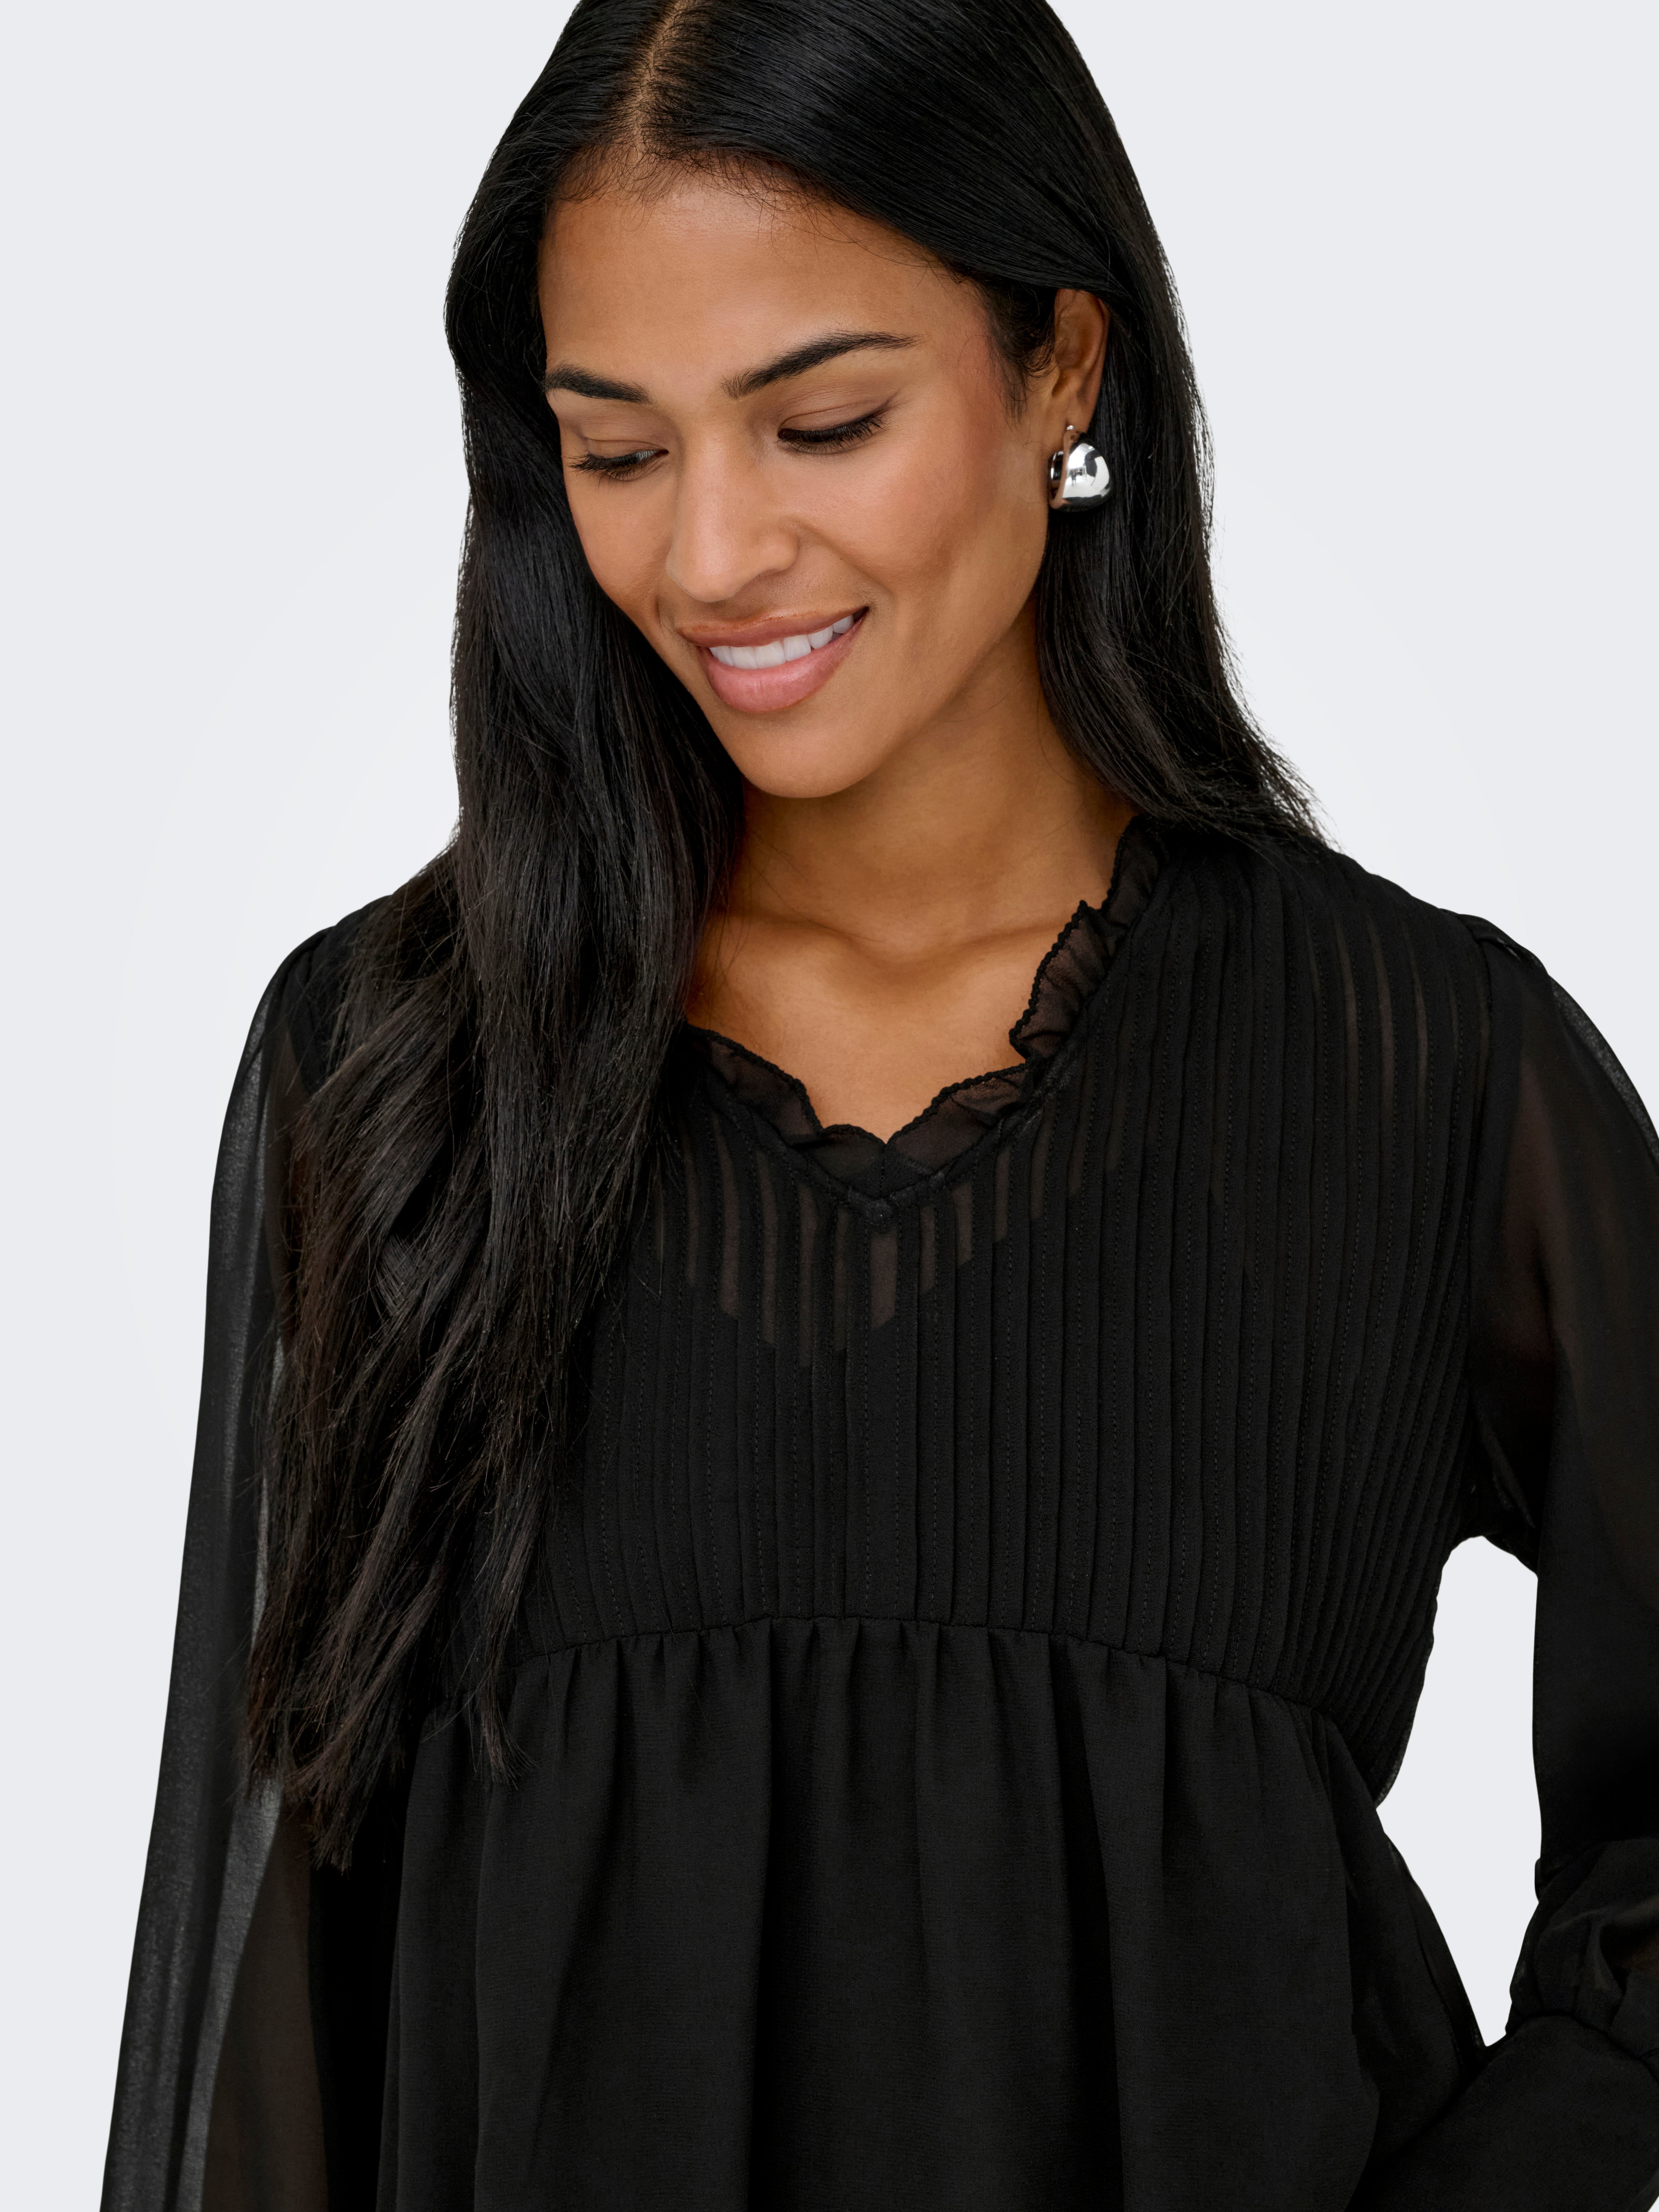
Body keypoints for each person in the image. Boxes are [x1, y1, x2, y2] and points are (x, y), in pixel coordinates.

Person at [101, 3, 1659, 2208]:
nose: (711, 554)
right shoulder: (388, 1065)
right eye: (614, 450)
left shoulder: (1425, 1067)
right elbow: (259, 2005)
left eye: (821, 421)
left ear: (1065, 370)